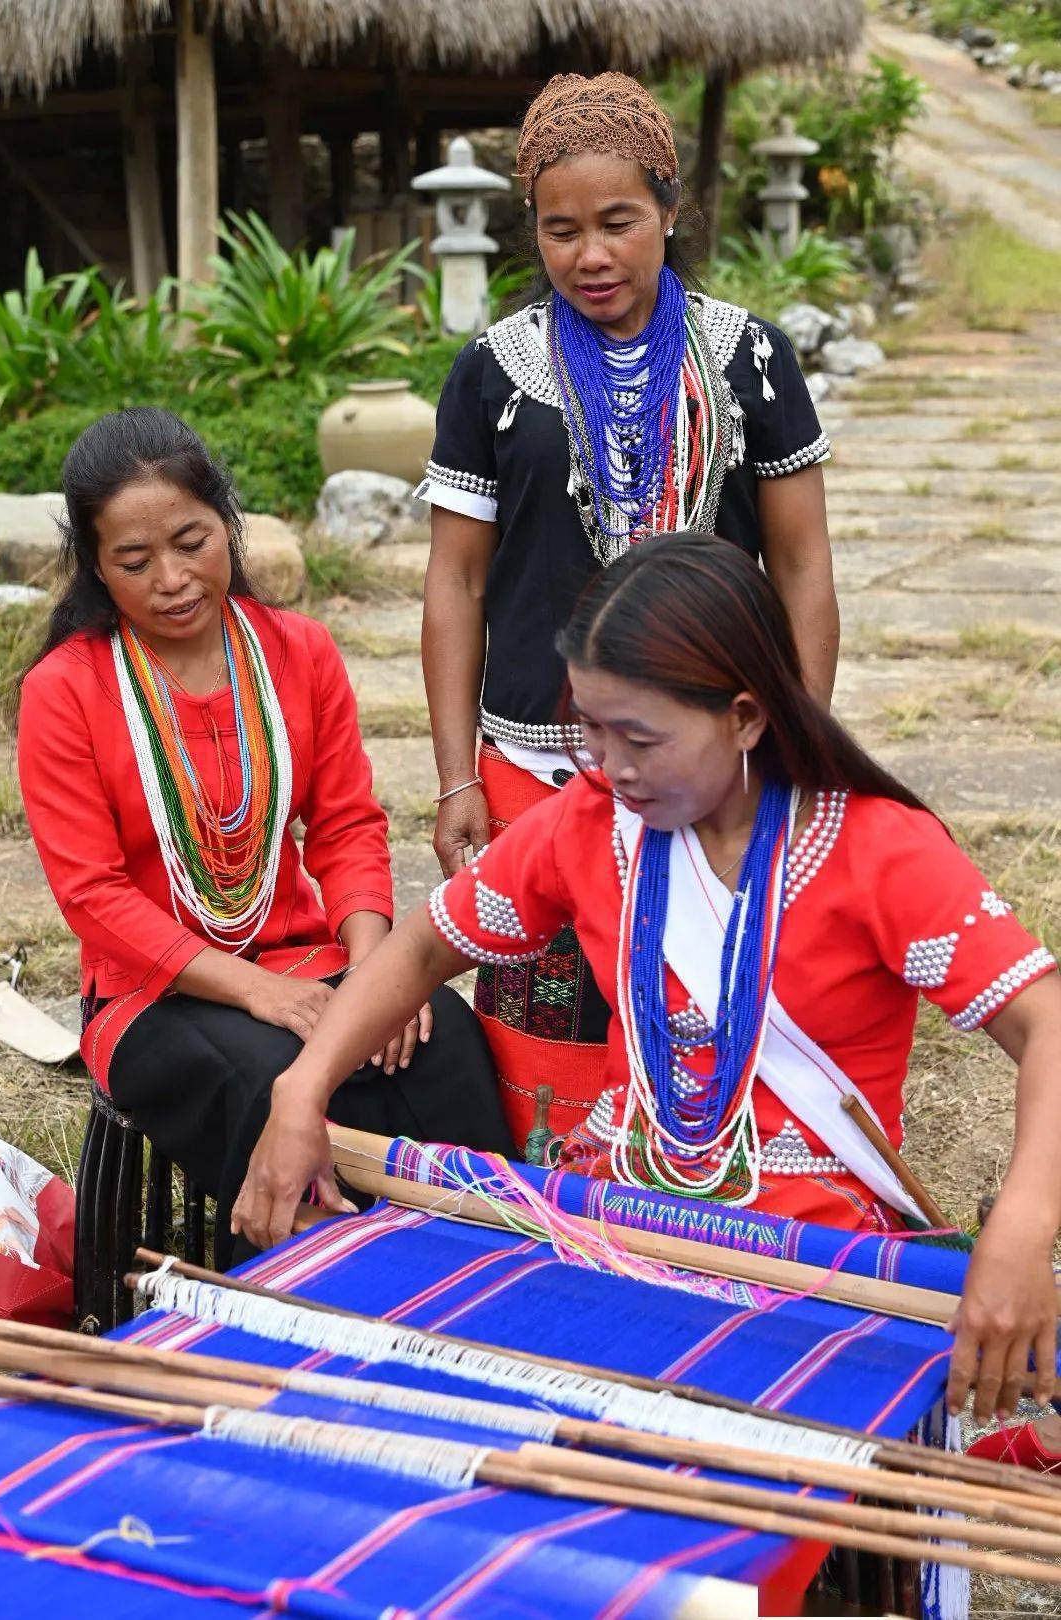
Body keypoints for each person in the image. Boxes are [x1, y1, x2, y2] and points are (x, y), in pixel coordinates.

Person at [236, 534, 1059, 1427]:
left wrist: (1019, 1231)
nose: (611, 765)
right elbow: (423, 950)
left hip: (808, 1253)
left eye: (641, 737)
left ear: (746, 718)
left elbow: (1045, 1025)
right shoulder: (589, 824)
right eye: (590, 729)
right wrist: (299, 1090)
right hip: (614, 1216)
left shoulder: (878, 852)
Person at [419, 72, 839, 1152]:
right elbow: (457, 584)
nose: (590, 255)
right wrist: (458, 773)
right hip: (535, 766)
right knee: (541, 1048)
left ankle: (693, 1243)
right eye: (561, 231)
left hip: (709, 762)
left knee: (693, 1024)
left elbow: (800, 566)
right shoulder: (492, 375)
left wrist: (789, 743)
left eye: (618, 222)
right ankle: (552, 1264)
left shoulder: (749, 360)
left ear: (669, 209)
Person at [18, 408, 513, 1267]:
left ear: (228, 523)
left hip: (313, 959)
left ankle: (484, 1284)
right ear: (96, 568)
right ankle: (330, 1295)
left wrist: (371, 972)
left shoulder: (298, 651)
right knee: (258, 1081)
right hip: (153, 995)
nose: (171, 579)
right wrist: (258, 993)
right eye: (133, 562)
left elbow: (349, 825)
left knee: (444, 1044)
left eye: (191, 541)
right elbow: (93, 895)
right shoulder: (66, 689)